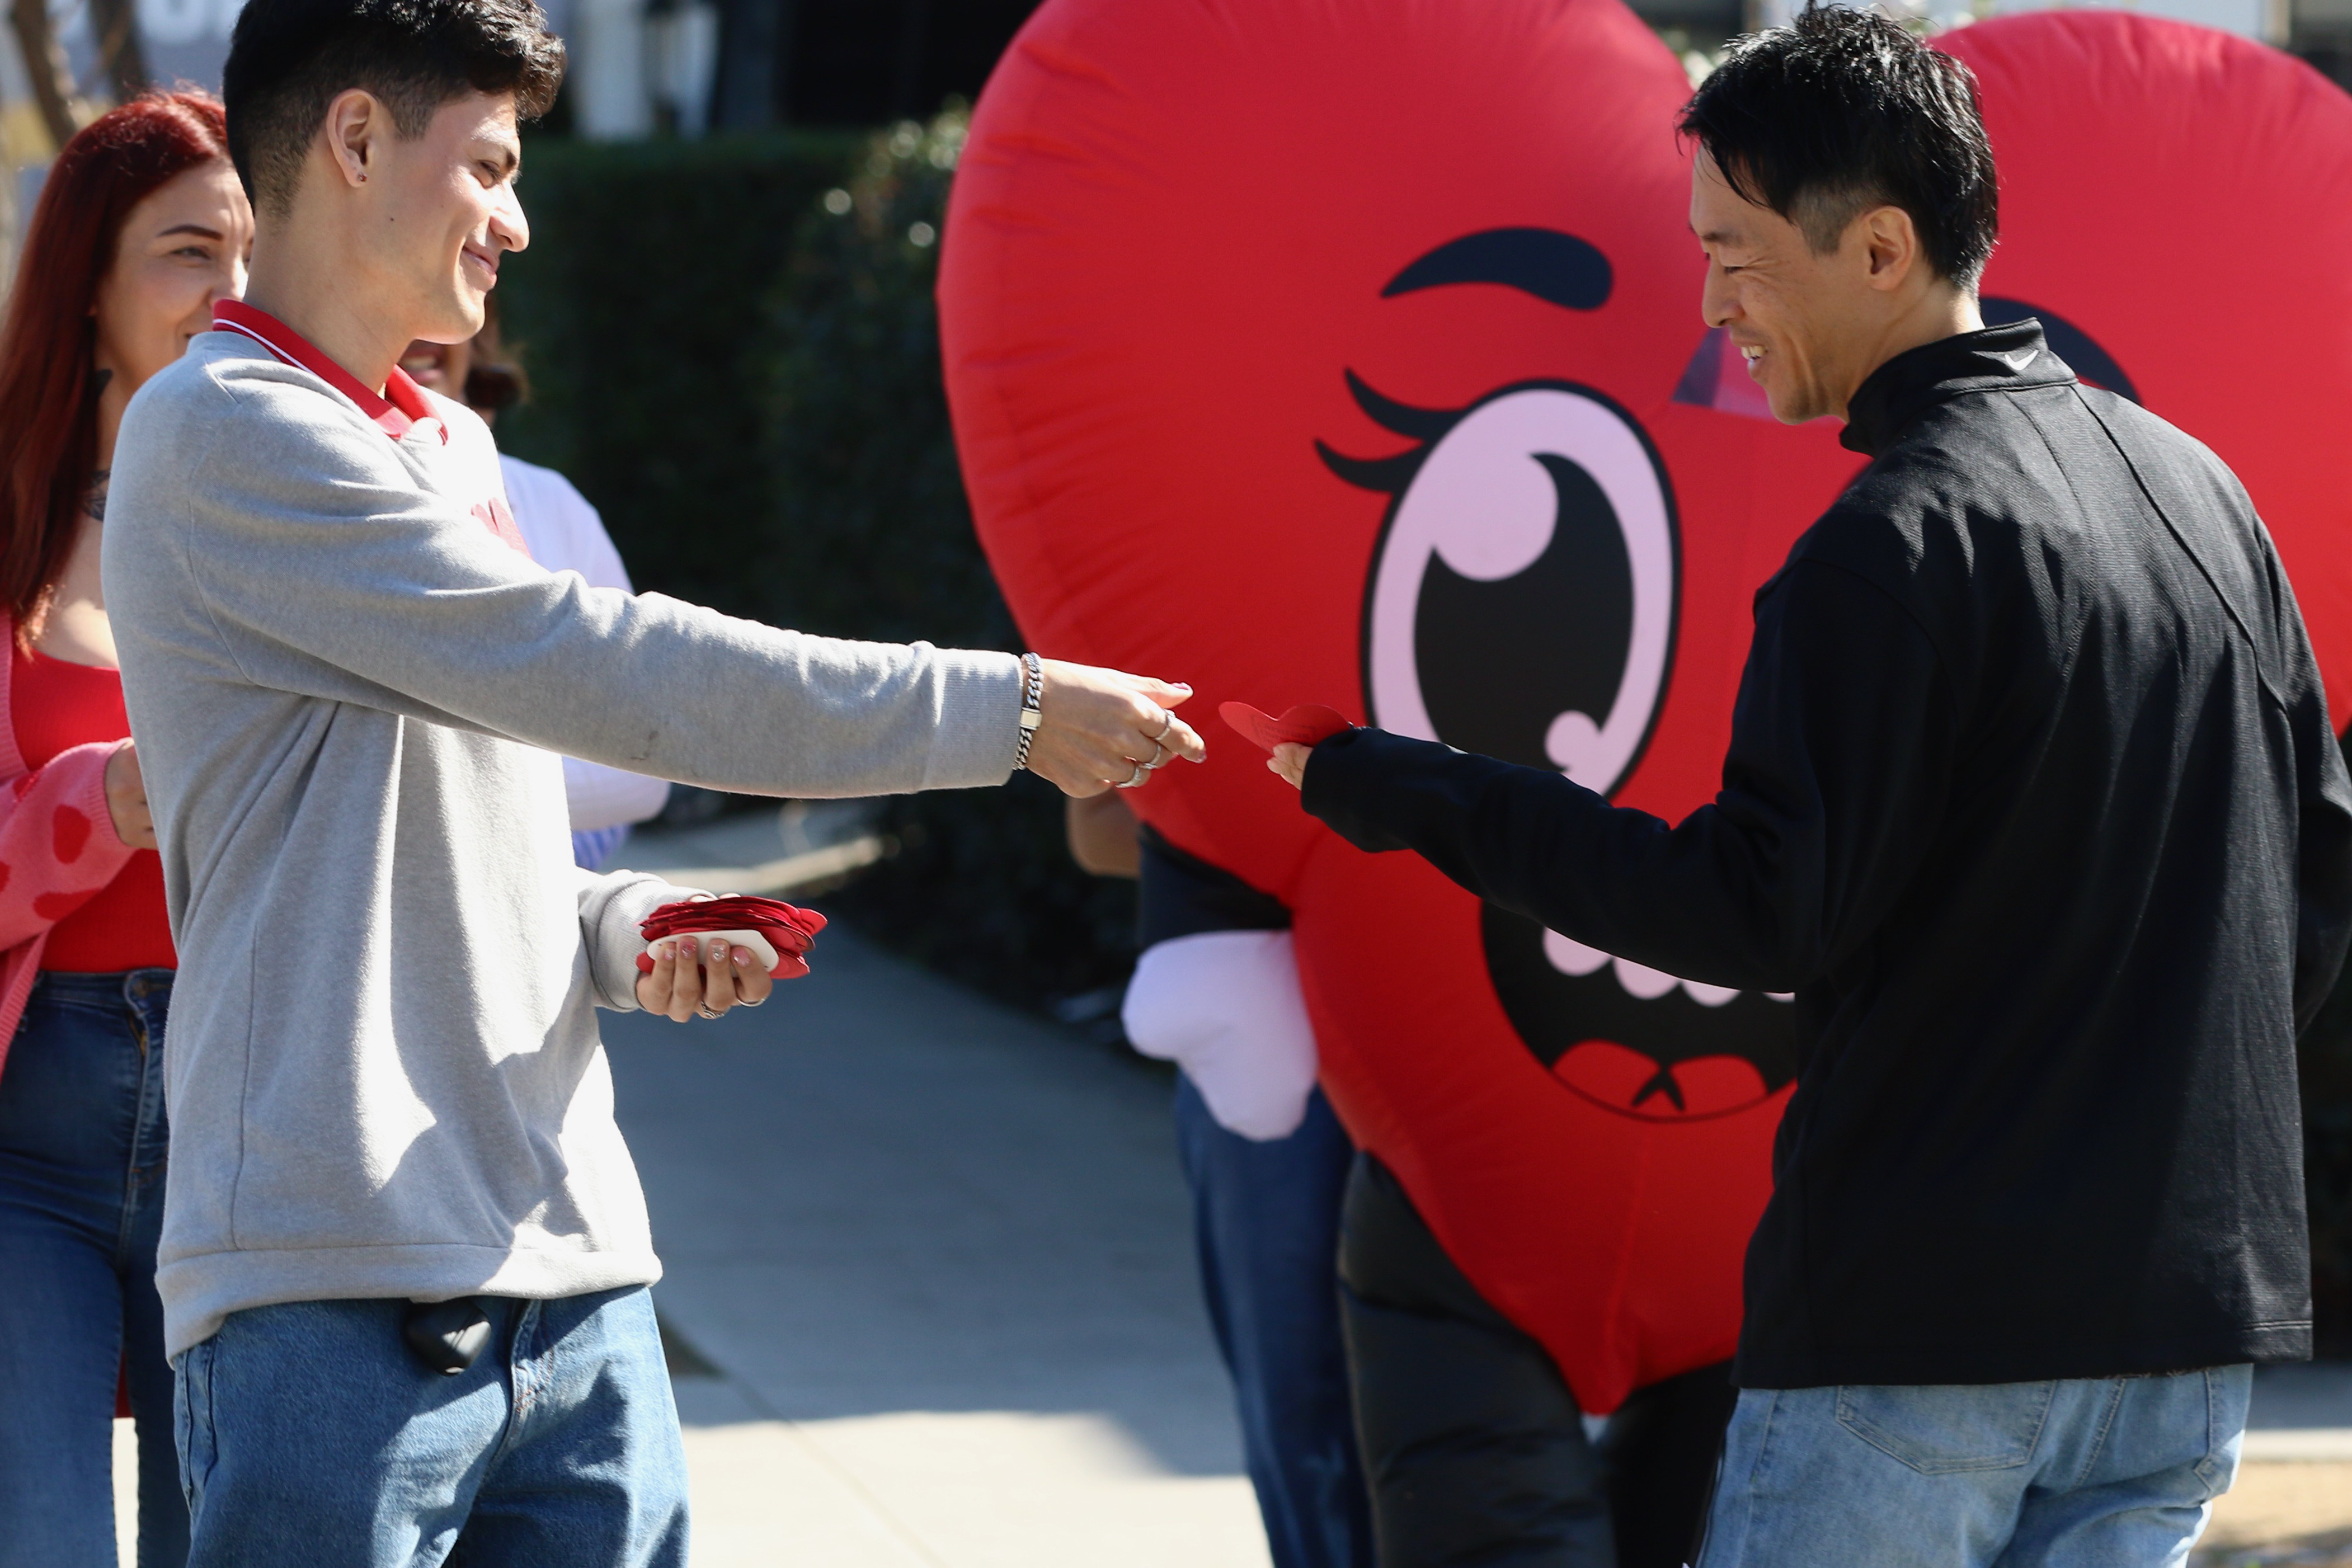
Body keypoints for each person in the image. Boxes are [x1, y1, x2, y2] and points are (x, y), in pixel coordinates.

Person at [100, 2, 1204, 1562]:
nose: (518, 217)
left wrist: (621, 929)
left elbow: (460, 837)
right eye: (486, 163)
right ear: (352, 140)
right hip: (326, 1299)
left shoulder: (453, 456)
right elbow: (607, 664)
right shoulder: (219, 432)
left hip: (576, 1284)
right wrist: (1004, 713)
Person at [1265, 7, 2352, 1564]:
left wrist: (1416, 793)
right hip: (2181, 1328)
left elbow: (1751, 909)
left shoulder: (1888, 545)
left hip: (1921, 1329)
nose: (1711, 299)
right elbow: (2313, 882)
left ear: (1881, 250)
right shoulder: (2200, 496)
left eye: (1733, 250)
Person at [0, 92, 250, 1568]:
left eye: (254, 253)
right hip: (30, 1132)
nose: (232, 291)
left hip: (246, 1128)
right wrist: (108, 798)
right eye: (185, 251)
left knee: (214, 1541)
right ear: (88, 288)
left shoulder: (311, 523)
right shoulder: (13, 540)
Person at [1068, 793, 1375, 1568]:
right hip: (1262, 1029)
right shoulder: (1159, 669)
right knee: (1299, 1393)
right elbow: (1098, 833)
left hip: (1455, 1014)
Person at [400, 304, 670, 868]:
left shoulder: (554, 504)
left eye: (443, 300)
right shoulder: (310, 505)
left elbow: (645, 760)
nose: (418, 327)